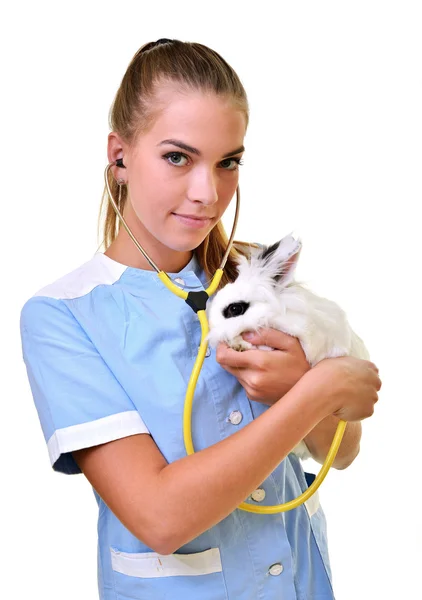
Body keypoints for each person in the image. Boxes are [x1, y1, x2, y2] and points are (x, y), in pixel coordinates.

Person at [19, 38, 381, 600]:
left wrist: (315, 395)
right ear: (119, 156)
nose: (207, 193)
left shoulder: (252, 271)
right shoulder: (63, 317)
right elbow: (161, 518)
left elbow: (343, 448)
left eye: (228, 162)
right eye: (177, 157)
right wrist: (316, 389)